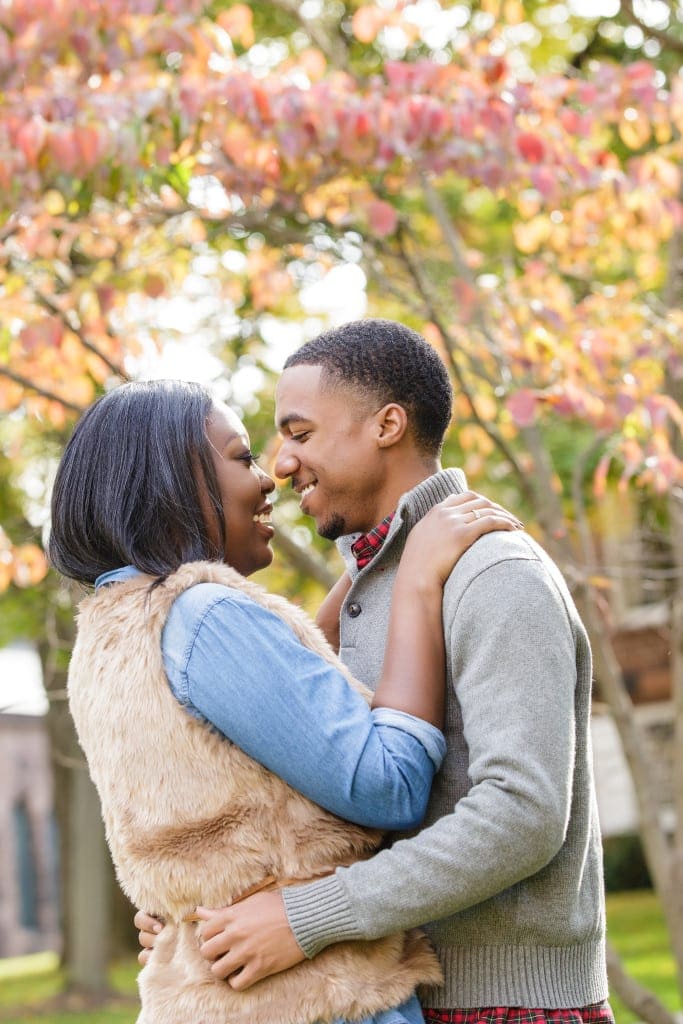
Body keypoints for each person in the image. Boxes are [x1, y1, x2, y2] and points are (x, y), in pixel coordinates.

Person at [139, 320, 614, 1024]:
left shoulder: (492, 573)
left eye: (299, 433)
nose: (280, 463)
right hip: (389, 996)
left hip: (502, 1004)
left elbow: (523, 813)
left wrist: (306, 917)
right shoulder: (366, 593)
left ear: (387, 425)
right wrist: (200, 913)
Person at [49, 378, 520, 1024]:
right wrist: (414, 584)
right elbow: (387, 784)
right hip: (316, 1000)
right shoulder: (204, 614)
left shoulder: (108, 636)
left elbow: (262, 726)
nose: (269, 477)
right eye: (241, 458)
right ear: (173, 482)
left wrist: (372, 557)